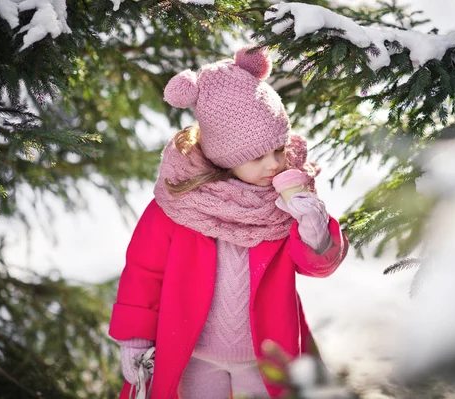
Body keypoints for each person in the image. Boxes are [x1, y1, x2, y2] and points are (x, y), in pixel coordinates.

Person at [108, 45, 349, 399]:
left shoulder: (286, 201)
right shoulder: (178, 205)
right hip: (195, 357)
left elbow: (317, 267)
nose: (274, 166)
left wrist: (315, 229)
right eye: (257, 158)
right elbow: (144, 272)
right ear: (224, 159)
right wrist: (135, 339)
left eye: (279, 150)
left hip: (266, 357)